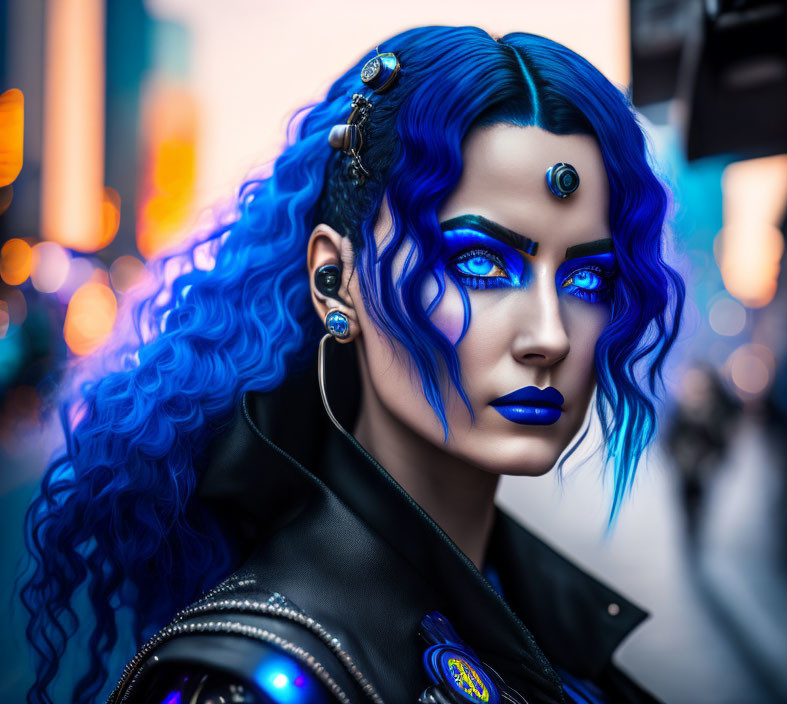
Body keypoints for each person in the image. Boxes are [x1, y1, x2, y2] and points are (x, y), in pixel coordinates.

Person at [19, 26, 684, 704]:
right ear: (336, 281)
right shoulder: (257, 688)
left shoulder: (528, 605)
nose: (550, 335)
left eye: (587, 280)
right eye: (480, 263)